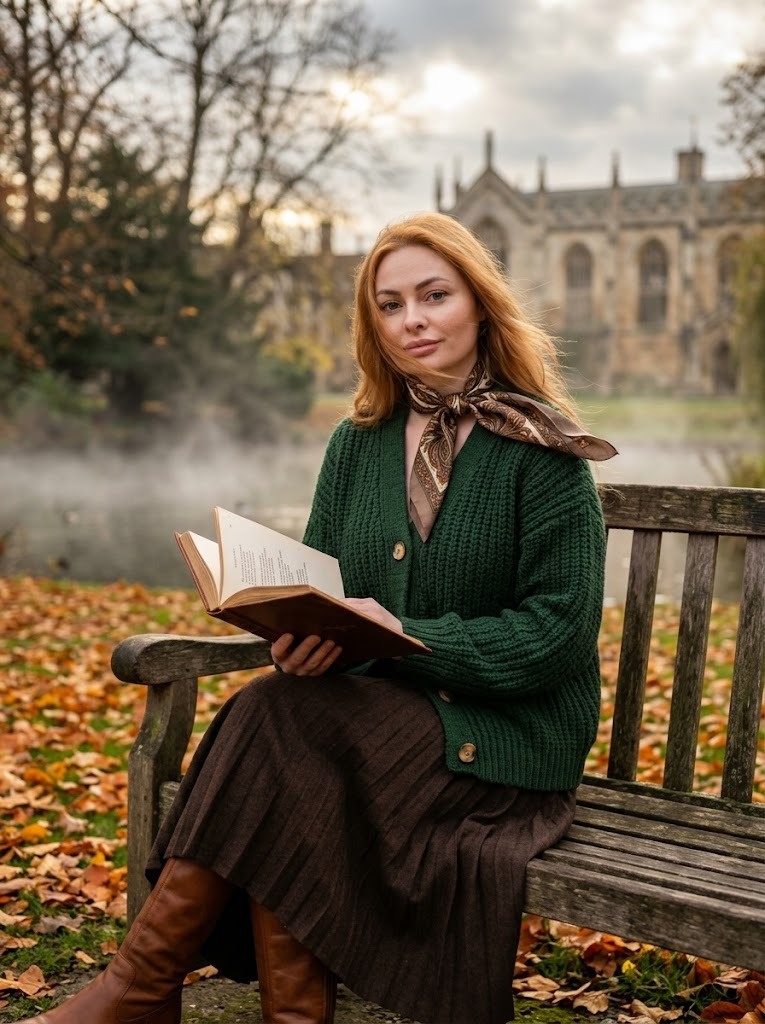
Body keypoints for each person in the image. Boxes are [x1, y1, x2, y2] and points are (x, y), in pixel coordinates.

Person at [22, 212, 616, 1024]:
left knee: (275, 731)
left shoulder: (543, 450)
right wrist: (306, 638)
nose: (413, 318)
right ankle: (224, 1003)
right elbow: (322, 583)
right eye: (390, 303)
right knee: (283, 719)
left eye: (434, 295)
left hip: (503, 738)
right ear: (372, 323)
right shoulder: (358, 442)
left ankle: (142, 987)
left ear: (478, 303)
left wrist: (406, 642)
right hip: (365, 721)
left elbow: (555, 636)